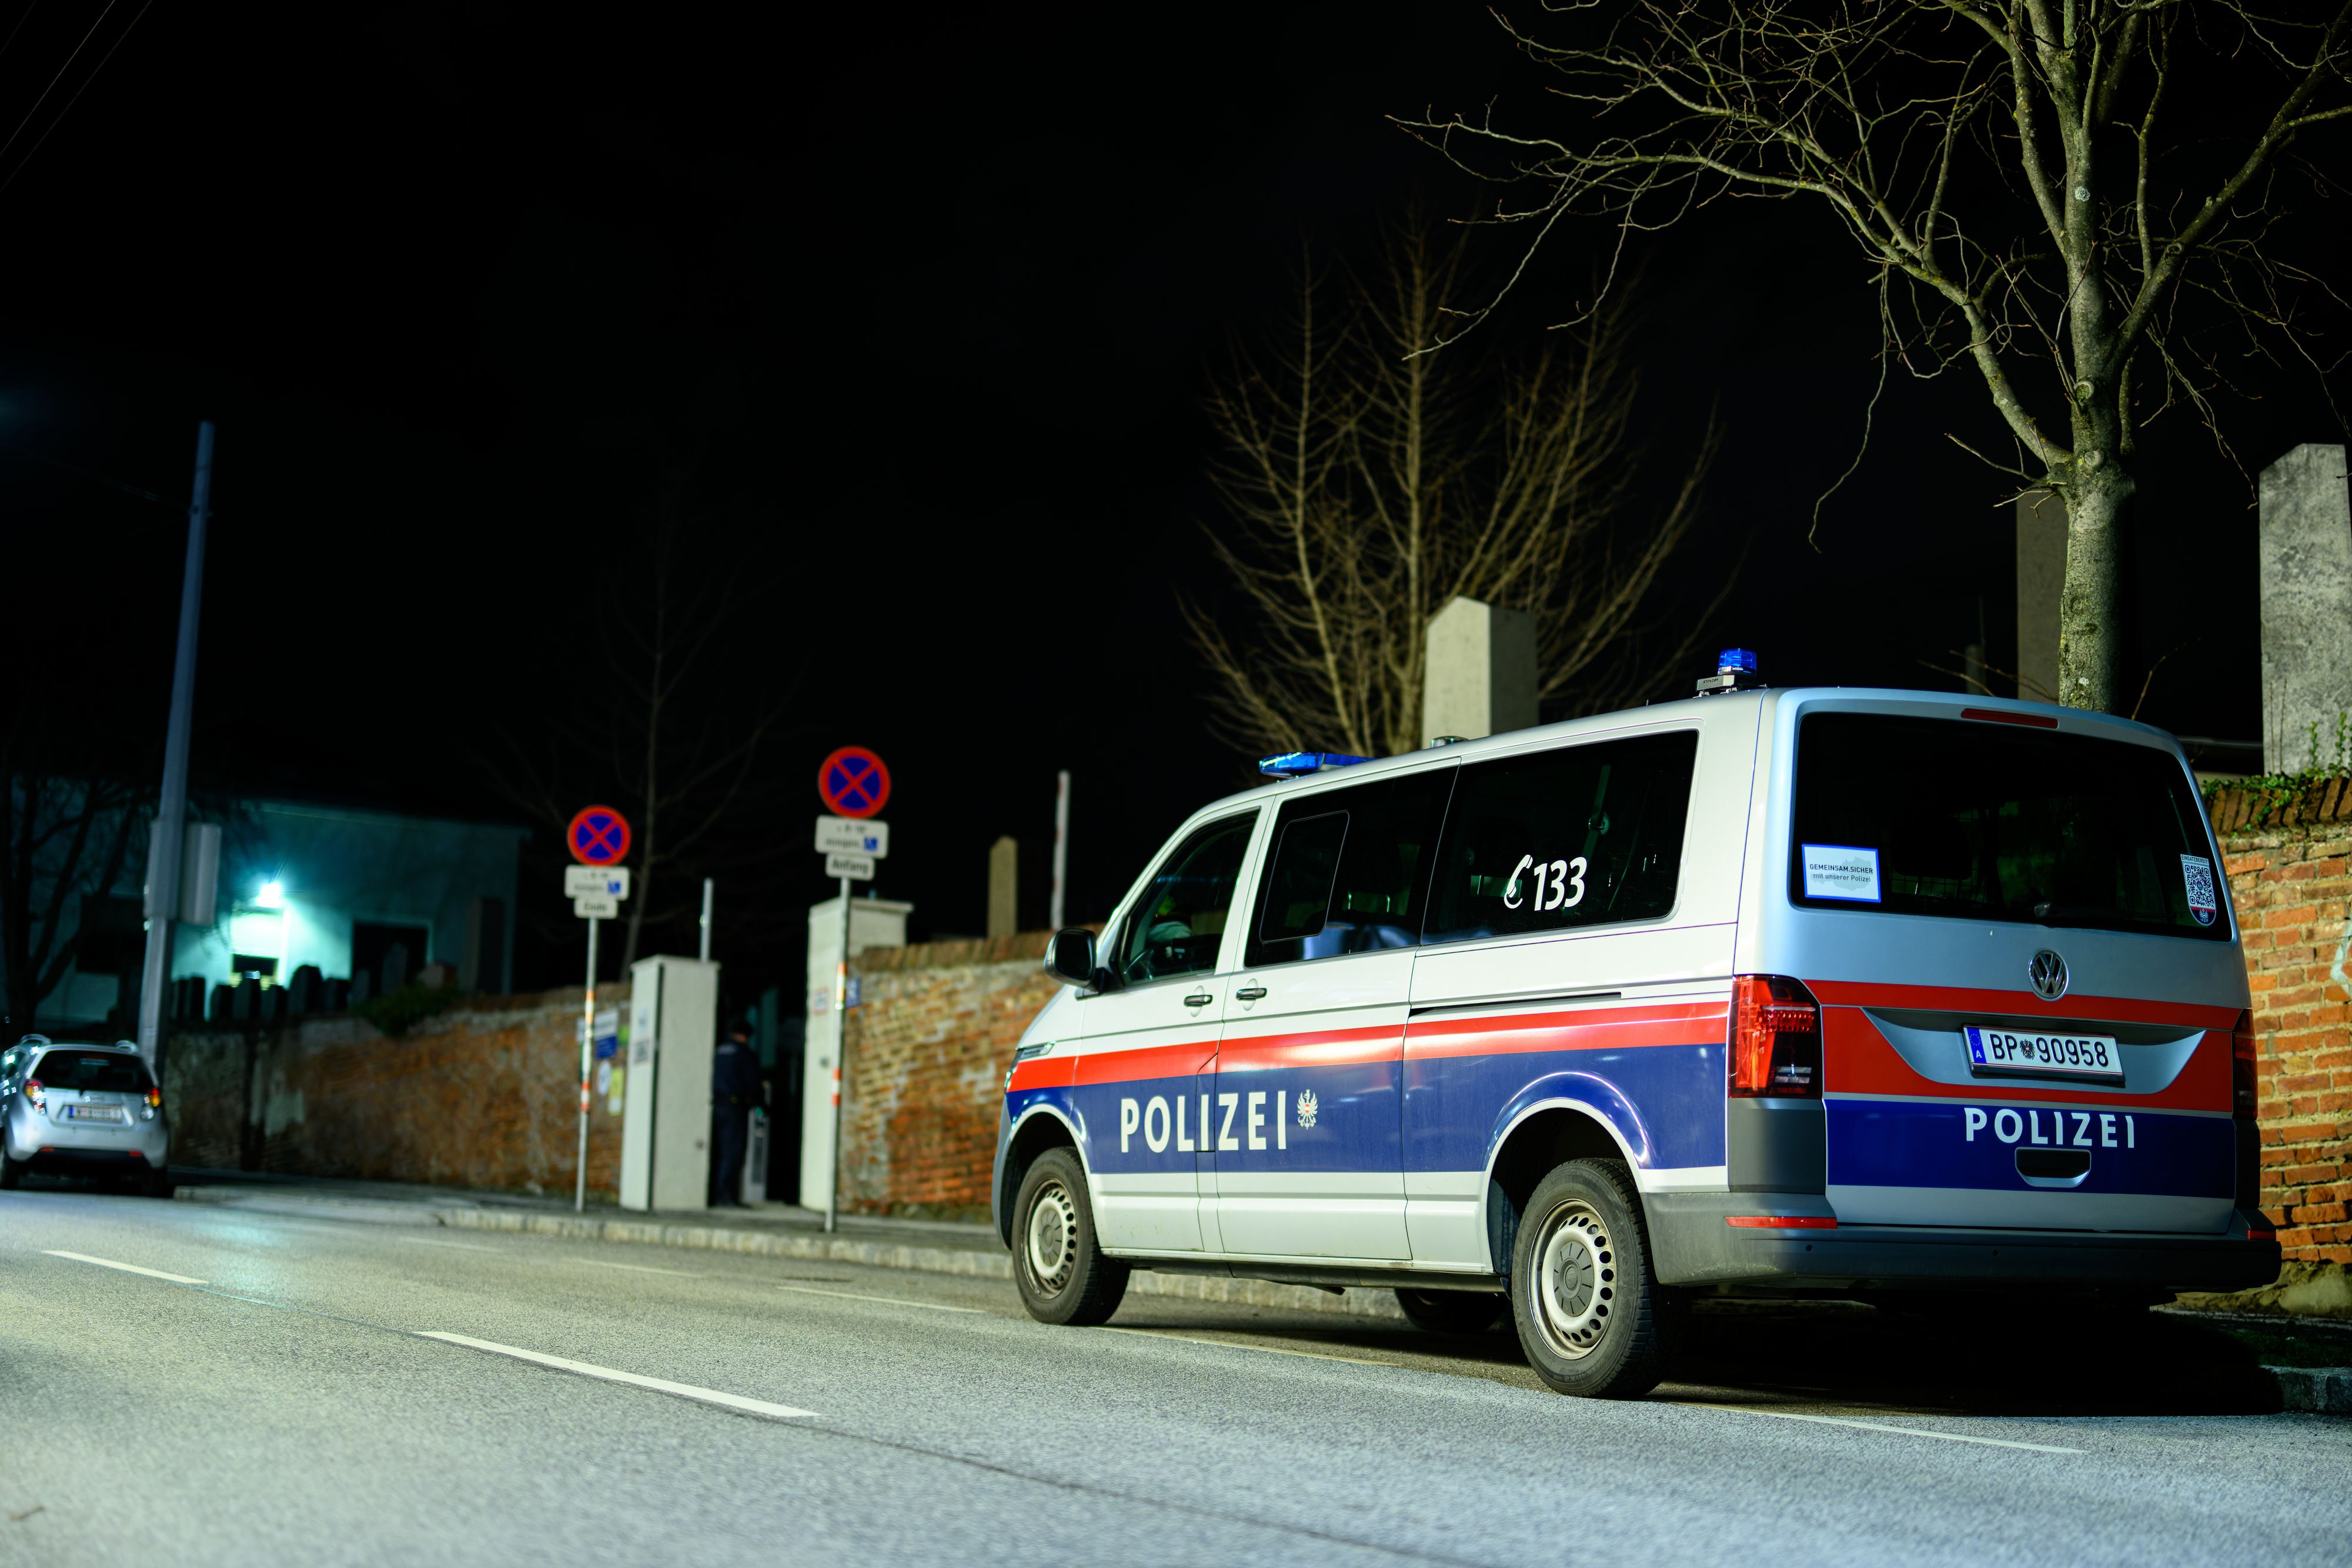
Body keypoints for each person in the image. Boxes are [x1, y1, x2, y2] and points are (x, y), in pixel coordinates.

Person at [708, 1019, 761, 1206]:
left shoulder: (719, 1051)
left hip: (718, 1105)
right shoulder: (744, 1053)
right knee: (734, 1152)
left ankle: (717, 1193)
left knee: (721, 1151)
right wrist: (760, 1105)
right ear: (745, 1036)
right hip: (735, 1107)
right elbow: (752, 1082)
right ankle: (726, 1195)